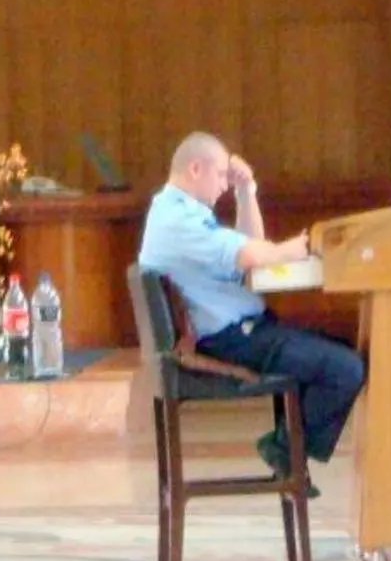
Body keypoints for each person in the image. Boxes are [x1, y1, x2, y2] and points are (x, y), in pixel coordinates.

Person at [137, 130, 366, 487]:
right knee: (345, 368)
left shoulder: (178, 213)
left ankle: (289, 452)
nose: (223, 186)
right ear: (195, 169)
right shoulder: (177, 220)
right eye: (221, 176)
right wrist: (291, 249)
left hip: (242, 332)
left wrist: (246, 191)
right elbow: (251, 255)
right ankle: (285, 451)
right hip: (230, 340)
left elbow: (251, 248)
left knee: (343, 351)